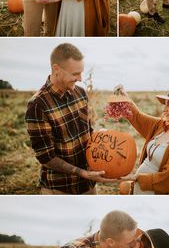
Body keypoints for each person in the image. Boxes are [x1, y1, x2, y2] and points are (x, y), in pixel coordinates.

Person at [25, 43, 116, 195]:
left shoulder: (80, 93)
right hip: (60, 188)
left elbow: (88, 131)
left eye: (81, 73)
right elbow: (46, 157)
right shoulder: (37, 105)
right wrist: (80, 172)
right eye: (75, 74)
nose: (80, 79)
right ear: (56, 69)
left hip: (89, 183)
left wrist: (101, 138)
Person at [114, 85, 169, 195]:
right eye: (166, 104)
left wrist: (137, 178)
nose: (164, 109)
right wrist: (125, 98)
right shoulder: (161, 125)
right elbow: (137, 117)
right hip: (140, 190)